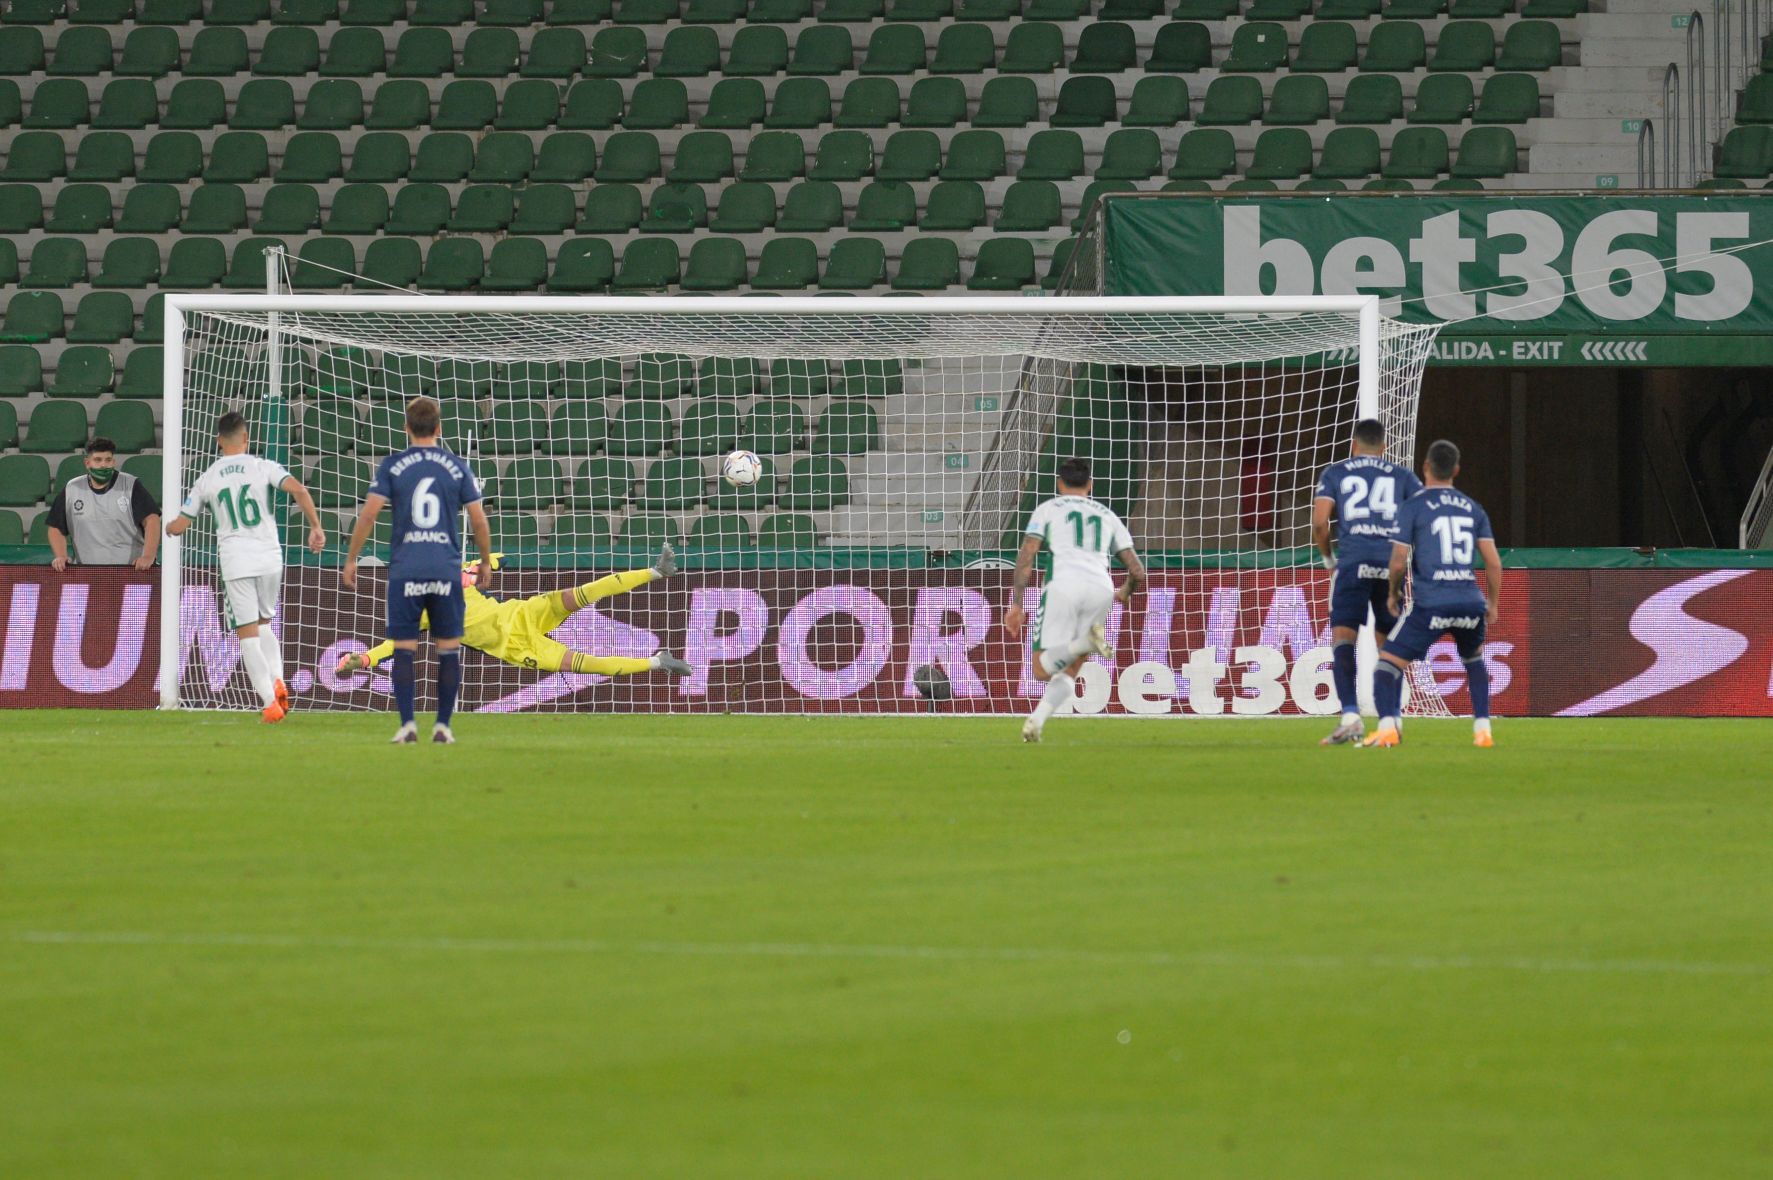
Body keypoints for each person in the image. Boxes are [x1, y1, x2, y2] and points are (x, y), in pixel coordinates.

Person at [341, 396, 495, 745]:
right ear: (439, 428)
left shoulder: (394, 466)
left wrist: (352, 558)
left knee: (405, 647)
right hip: (445, 568)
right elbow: (478, 519)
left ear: (406, 427)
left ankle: (408, 724)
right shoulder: (456, 467)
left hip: (405, 569)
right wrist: (484, 561)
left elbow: (368, 515)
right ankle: (443, 726)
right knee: (448, 648)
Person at [165, 412, 327, 723]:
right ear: (246, 438)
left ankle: (269, 701)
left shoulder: (208, 477)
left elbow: (183, 523)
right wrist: (316, 527)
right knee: (265, 623)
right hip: (269, 556)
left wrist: (170, 527)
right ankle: (278, 680)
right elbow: (299, 490)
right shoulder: (262, 466)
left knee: (247, 634)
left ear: (218, 441)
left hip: (236, 559)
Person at [336, 548, 692, 680]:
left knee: (579, 594)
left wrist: (477, 568)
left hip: (523, 613)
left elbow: (501, 558)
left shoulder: (458, 571)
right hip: (514, 646)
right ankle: (657, 663)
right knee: (585, 663)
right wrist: (364, 659)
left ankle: (656, 572)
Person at [1364, 439, 1504, 749]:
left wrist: (1393, 594)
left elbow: (1398, 561)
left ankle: (1388, 728)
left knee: (1386, 665)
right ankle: (1483, 731)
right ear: (1456, 469)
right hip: (1470, 601)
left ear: (1425, 467)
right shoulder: (1473, 508)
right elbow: (1494, 563)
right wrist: (1491, 603)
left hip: (1432, 603)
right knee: (1474, 660)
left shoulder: (1413, 506)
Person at [1003, 457, 1147, 744]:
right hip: (1101, 588)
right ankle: (1036, 723)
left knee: (1041, 669)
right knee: (1070, 668)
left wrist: (1017, 603)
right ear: (1090, 485)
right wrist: (1125, 592)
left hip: (1063, 586)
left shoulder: (1048, 509)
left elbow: (1027, 555)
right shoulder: (1107, 514)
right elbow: (1137, 571)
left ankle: (1086, 642)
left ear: (1059, 483)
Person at [1311, 418, 1423, 746]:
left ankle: (1350, 717)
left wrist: (1330, 561)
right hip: (1390, 565)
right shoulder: (1403, 476)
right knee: (1387, 645)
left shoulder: (1336, 472)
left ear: (1353, 445)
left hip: (1353, 561)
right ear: (1385, 448)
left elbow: (1320, 523)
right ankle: (1390, 721)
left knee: (1344, 639)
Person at [46, 437, 161, 572]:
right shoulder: (72, 488)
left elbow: (152, 520)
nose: (103, 465)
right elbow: (55, 527)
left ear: (113, 461)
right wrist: (61, 555)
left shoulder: (130, 485)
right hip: (87, 573)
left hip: (131, 572)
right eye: (98, 460)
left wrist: (148, 556)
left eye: (107, 460)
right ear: (87, 463)